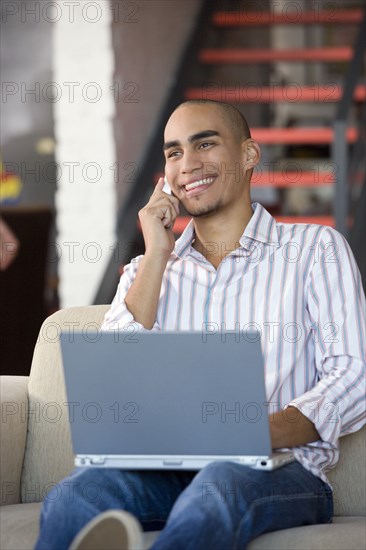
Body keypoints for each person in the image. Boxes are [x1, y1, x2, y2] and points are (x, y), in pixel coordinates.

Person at [35, 100, 366, 550]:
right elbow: (113, 381)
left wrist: (258, 431)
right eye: (173, 153)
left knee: (218, 483)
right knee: (75, 494)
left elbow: (352, 374)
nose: (187, 164)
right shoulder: (144, 271)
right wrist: (156, 254)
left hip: (278, 472)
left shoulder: (315, 250)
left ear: (249, 155)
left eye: (204, 144)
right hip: (162, 473)